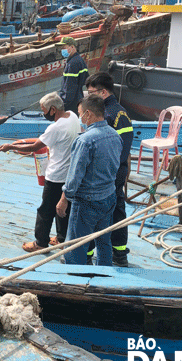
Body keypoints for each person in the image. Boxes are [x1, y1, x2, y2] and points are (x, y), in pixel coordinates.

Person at [0, 92, 80, 252]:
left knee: (45, 210)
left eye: (44, 110)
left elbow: (34, 147)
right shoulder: (73, 116)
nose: (43, 114)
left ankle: (40, 243)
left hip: (56, 176)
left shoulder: (55, 128)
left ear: (53, 109)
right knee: (63, 209)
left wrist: (11, 146)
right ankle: (61, 238)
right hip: (69, 174)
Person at [60, 95, 122, 266]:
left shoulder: (85, 140)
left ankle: (75, 282)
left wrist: (64, 199)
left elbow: (74, 177)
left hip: (87, 201)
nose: (80, 118)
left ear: (87, 114)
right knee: (104, 242)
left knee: (76, 248)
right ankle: (104, 277)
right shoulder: (115, 136)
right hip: (108, 196)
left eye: (80, 114)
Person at [84, 72, 133, 267]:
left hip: (106, 174)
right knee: (117, 211)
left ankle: (86, 255)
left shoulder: (107, 115)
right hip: (118, 171)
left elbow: (108, 149)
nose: (88, 97)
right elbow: (125, 149)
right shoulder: (121, 112)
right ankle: (119, 254)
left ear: (103, 92)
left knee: (92, 212)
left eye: (91, 93)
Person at [57, 36, 89, 113]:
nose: (62, 50)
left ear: (72, 47)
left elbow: (69, 88)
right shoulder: (79, 60)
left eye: (64, 47)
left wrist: (63, 104)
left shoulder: (72, 64)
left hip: (71, 104)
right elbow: (85, 78)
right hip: (79, 97)